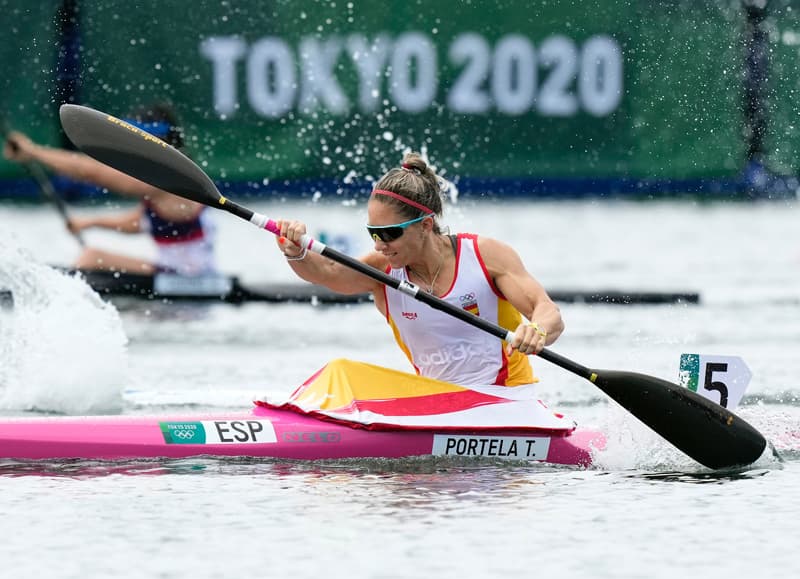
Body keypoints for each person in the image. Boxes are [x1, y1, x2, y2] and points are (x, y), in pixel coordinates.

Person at [275, 152, 564, 387]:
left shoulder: (485, 255)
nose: (379, 245)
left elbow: (548, 312)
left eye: (389, 234)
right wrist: (297, 251)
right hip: (438, 403)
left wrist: (536, 330)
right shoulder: (383, 272)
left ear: (425, 225)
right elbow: (326, 271)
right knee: (340, 372)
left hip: (508, 400)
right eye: (373, 233)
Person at [2, 103, 217, 276]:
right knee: (91, 258)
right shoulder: (175, 179)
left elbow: (91, 172)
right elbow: (140, 222)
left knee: (92, 258)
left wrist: (34, 152)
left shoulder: (167, 179)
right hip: (181, 274)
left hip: (184, 278)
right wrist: (91, 222)